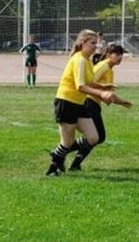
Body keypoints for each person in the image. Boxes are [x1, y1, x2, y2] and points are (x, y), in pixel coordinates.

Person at [46, 29, 116, 176]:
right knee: (67, 142)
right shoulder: (79, 60)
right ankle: (53, 167)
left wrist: (102, 86)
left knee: (93, 137)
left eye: (96, 44)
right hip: (67, 102)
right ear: (83, 43)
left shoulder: (87, 60)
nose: (95, 47)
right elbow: (81, 86)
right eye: (92, 43)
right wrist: (102, 93)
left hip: (79, 104)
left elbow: (89, 82)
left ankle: (57, 155)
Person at [69, 44, 133, 171]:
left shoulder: (109, 69)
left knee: (97, 137)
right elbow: (88, 83)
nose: (120, 57)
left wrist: (118, 100)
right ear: (109, 55)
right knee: (98, 136)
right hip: (89, 102)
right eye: (117, 54)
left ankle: (74, 163)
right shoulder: (103, 66)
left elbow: (108, 93)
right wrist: (121, 101)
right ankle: (64, 150)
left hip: (94, 104)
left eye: (121, 54)